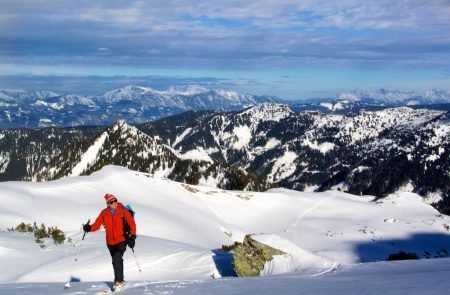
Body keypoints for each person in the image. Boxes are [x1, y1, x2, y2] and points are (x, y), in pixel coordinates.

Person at [83, 193, 136, 291]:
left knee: (117, 257)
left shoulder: (123, 211)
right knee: (116, 260)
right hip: (110, 242)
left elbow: (132, 224)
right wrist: (89, 228)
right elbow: (97, 225)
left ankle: (118, 282)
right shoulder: (104, 213)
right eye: (112, 202)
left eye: (115, 200)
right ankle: (121, 279)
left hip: (122, 240)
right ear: (108, 204)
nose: (114, 203)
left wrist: (132, 236)